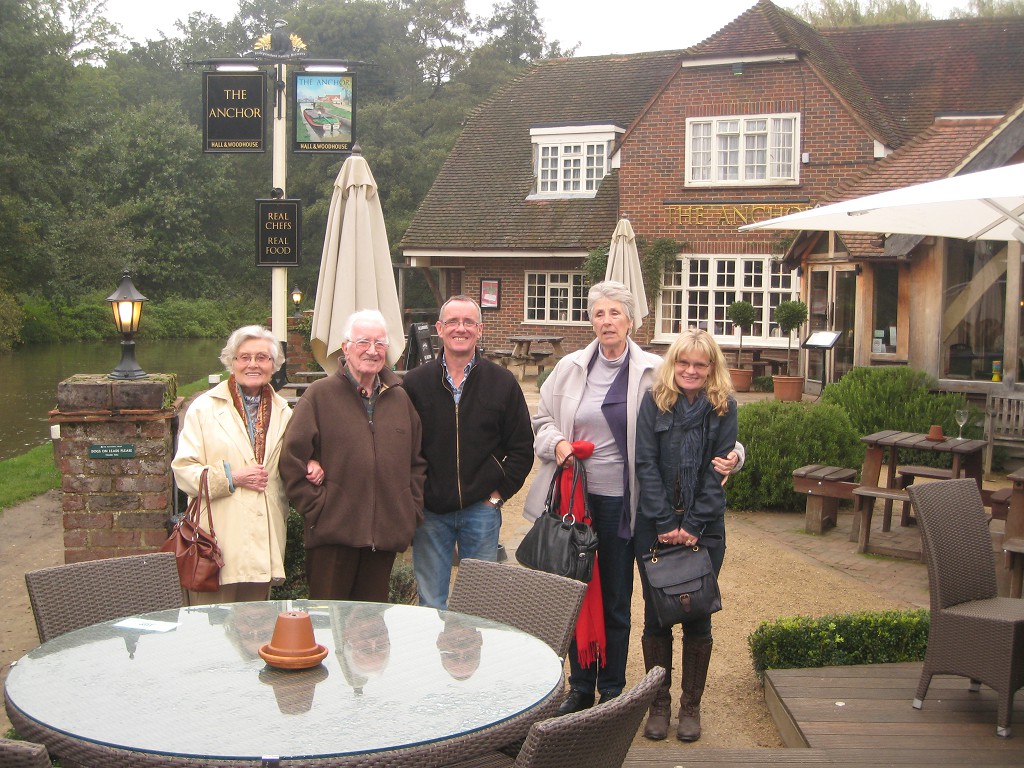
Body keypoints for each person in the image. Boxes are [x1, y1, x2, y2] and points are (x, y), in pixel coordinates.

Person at [524, 281, 744, 715]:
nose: (607, 321)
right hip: (576, 502)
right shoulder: (569, 367)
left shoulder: (656, 370)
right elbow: (541, 419)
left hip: (627, 504)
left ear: (630, 320)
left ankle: (612, 688)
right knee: (577, 592)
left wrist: (736, 455)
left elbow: (704, 422)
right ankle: (580, 686)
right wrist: (556, 443)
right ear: (591, 320)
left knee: (617, 598)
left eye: (615, 313)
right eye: (599, 313)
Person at [634, 328, 738, 742]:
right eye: (683, 362)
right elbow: (645, 464)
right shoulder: (654, 402)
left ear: (712, 367)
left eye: (699, 364)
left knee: (698, 617)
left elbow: (718, 470)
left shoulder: (724, 407)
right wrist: (665, 522)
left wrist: (692, 525)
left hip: (705, 528)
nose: (690, 370)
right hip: (654, 525)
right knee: (657, 616)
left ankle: (690, 707)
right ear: (672, 363)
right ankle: (658, 706)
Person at [280, 309, 426, 601]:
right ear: (345, 347)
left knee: (371, 624)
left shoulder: (400, 399)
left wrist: (409, 510)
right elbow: (292, 460)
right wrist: (320, 510)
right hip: (333, 537)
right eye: (363, 342)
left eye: (380, 343)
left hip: (384, 537)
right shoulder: (319, 396)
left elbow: (416, 462)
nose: (372, 350)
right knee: (329, 621)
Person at [403, 295, 534, 609]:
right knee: (431, 604)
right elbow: (402, 448)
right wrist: (418, 495)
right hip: (431, 513)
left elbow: (522, 447)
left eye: (468, 322)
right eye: (452, 322)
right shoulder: (416, 384)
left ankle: (473, 647)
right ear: (439, 328)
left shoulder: (502, 383)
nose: (460, 329)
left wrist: (496, 496)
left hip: (481, 511)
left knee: (479, 606)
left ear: (480, 329)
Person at [171, 325, 295, 605]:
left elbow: (290, 467)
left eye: (262, 358)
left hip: (262, 544)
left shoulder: (284, 412)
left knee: (256, 626)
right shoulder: (203, 408)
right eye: (245, 357)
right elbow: (184, 472)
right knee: (210, 625)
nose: (253, 364)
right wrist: (232, 477)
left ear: (273, 365)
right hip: (215, 547)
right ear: (232, 362)